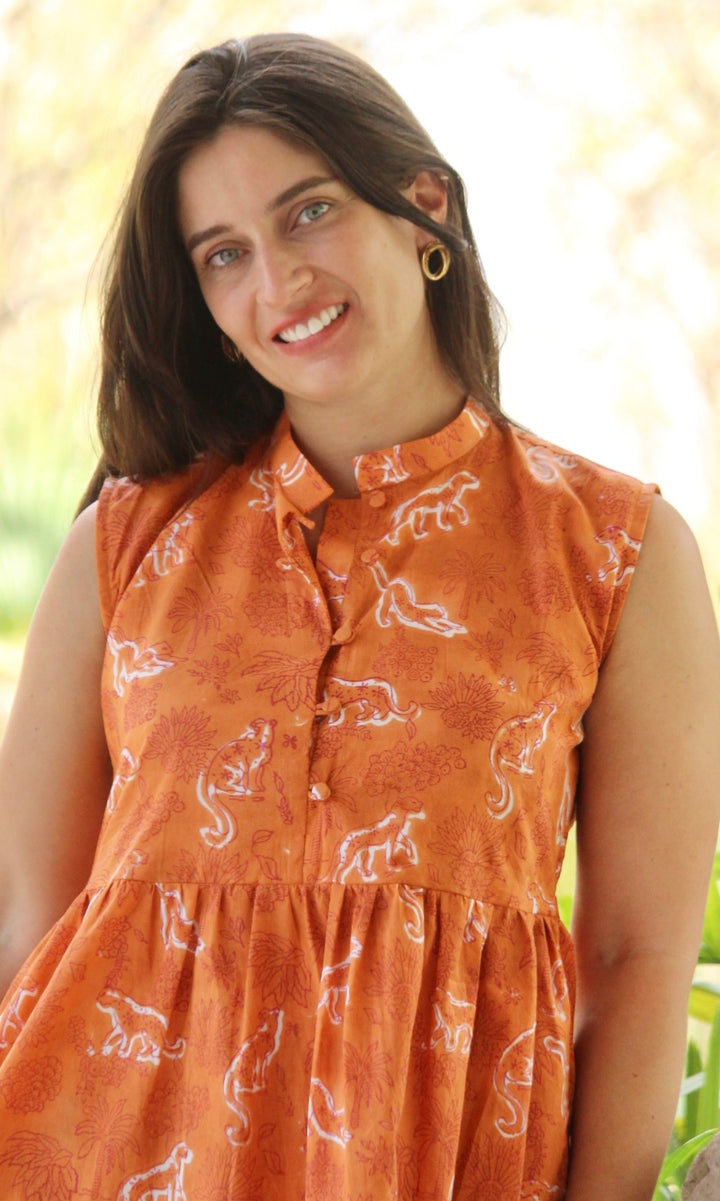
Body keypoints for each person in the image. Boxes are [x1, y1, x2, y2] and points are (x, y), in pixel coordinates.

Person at [0, 32, 718, 1201]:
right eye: (224, 253)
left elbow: (634, 959)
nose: (277, 282)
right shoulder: (123, 544)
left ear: (424, 206)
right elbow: (27, 921)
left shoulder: (616, 551)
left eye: (310, 213)